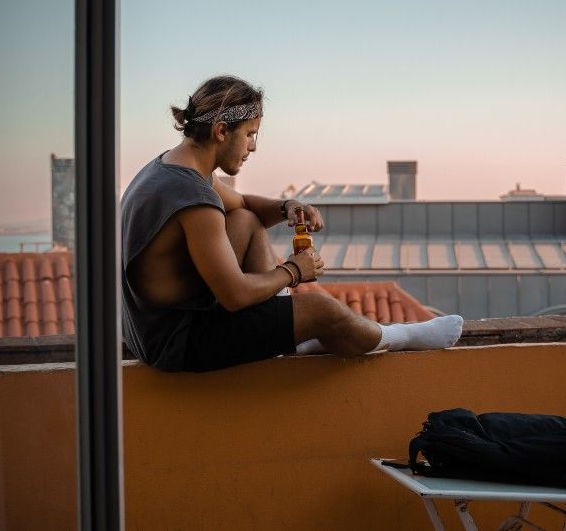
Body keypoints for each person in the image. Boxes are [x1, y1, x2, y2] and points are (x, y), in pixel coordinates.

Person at [121, 75, 464, 372]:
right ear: (222, 130)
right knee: (321, 307)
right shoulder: (194, 198)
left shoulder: (174, 167)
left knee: (246, 220)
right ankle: (401, 336)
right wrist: (294, 271)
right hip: (178, 342)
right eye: (251, 134)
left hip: (156, 327)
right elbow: (235, 295)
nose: (253, 147)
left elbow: (242, 204)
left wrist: (288, 207)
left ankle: (288, 336)